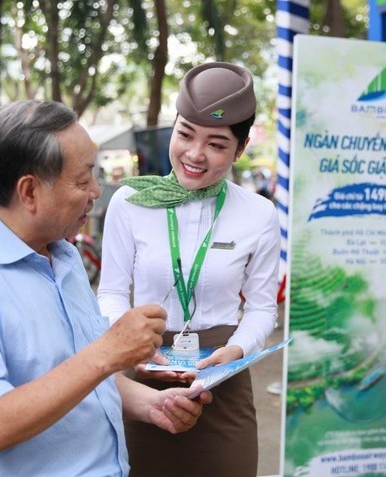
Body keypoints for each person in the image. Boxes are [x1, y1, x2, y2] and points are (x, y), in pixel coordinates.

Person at [0, 100, 211, 476]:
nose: (97, 191)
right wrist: (108, 352)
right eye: (83, 179)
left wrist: (152, 404)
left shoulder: (65, 258)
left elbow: (80, 380)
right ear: (30, 191)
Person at [97, 62, 279, 477]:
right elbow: (110, 293)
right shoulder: (130, 202)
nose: (195, 155)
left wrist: (234, 351)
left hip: (221, 377)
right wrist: (132, 344)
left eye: (216, 144)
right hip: (141, 370)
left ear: (242, 146)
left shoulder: (259, 214)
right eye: (184, 135)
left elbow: (262, 308)